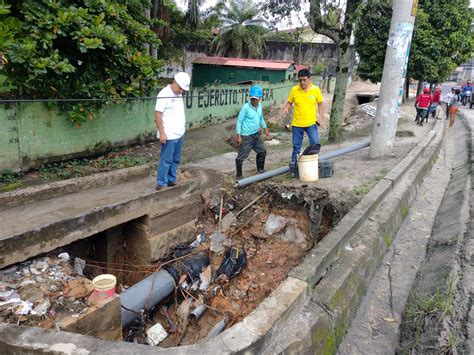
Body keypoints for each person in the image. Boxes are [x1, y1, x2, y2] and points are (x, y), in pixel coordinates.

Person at [154, 72, 191, 190]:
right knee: (166, 160)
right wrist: (162, 133)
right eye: (181, 88)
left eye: (183, 90)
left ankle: (171, 180)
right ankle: (161, 182)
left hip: (179, 133)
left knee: (176, 159)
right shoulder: (164, 94)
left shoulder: (178, 94)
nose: (182, 91)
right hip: (169, 135)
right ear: (175, 82)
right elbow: (158, 115)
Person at [283, 68, 324, 165]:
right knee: (296, 147)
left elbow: (321, 104)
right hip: (297, 124)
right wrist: (286, 108)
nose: (302, 82)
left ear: (309, 79)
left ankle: (313, 163)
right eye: (300, 80)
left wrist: (321, 118)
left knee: (314, 144)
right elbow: (289, 102)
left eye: (304, 80)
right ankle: (294, 166)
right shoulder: (294, 90)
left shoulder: (316, 90)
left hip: (311, 123)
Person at [235, 85, 270, 179]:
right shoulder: (245, 107)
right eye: (252, 98)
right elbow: (239, 121)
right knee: (242, 156)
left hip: (256, 134)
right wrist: (238, 135)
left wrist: (265, 127)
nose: (254, 100)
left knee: (262, 151)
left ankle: (260, 170)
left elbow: (261, 117)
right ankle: (239, 176)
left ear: (259, 98)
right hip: (246, 136)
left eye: (256, 99)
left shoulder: (260, 106)